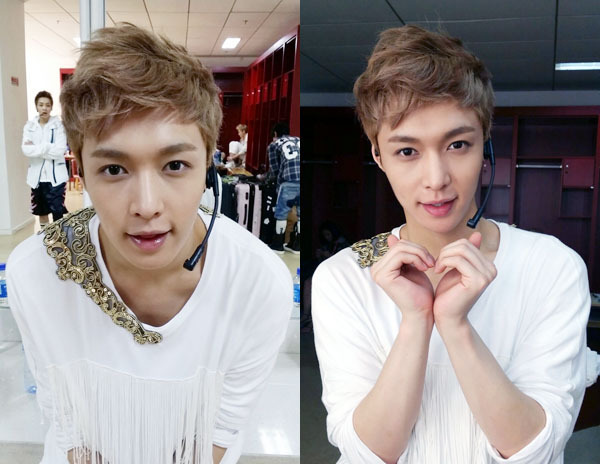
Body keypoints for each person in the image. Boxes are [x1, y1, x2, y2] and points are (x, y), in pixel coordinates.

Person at [8, 24, 292, 464]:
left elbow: (222, 426)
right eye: (114, 170)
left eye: (175, 165)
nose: (146, 206)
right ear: (81, 171)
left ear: (208, 167)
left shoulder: (256, 280)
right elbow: (64, 417)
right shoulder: (37, 272)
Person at [312, 25, 590, 464]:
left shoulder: (551, 264)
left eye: (458, 144)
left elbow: (536, 450)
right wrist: (416, 320)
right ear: (378, 156)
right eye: (407, 151)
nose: (436, 178)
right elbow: (367, 453)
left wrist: (455, 326)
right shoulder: (344, 273)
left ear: (485, 146)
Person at [21, 90, 69, 225]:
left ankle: (58, 238)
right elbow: (26, 149)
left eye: (47, 105)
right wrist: (48, 147)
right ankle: (46, 237)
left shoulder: (58, 126)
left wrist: (38, 149)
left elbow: (60, 150)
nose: (44, 108)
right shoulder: (30, 126)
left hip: (56, 178)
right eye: (41, 105)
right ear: (36, 107)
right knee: (41, 212)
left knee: (57, 212)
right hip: (37, 178)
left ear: (51, 107)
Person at [267, 122, 300, 254]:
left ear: (275, 134)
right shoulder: (298, 140)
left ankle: (278, 244)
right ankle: (296, 245)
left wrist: (267, 179)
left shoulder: (274, 144)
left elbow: (274, 170)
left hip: (288, 181)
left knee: (281, 213)